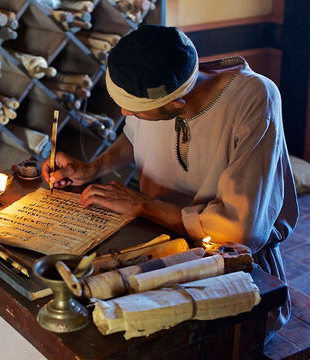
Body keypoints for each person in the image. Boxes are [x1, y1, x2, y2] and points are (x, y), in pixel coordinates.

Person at [42, 25, 298, 342]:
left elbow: (239, 232)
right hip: (156, 241)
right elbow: (134, 135)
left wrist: (141, 204)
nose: (124, 112)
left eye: (132, 108)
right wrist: (92, 168)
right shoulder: (159, 79)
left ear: (177, 103)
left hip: (224, 267)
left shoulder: (254, 99)